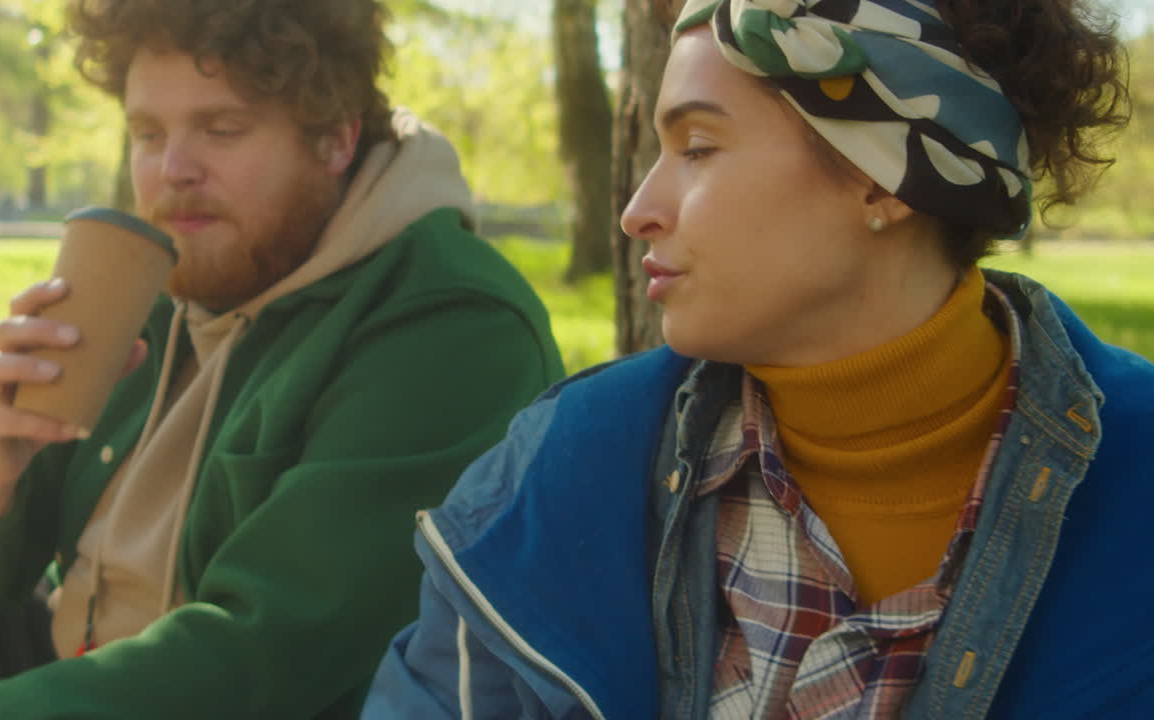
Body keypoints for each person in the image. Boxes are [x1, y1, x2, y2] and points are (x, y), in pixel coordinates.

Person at [362, 0, 1153, 717]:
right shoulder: (554, 479)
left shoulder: (1136, 485)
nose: (639, 211)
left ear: (886, 177)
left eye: (698, 149)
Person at [0, 0, 565, 717]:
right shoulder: (164, 276)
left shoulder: (451, 326)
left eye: (222, 129)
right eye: (147, 133)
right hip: (82, 661)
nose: (173, 170)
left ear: (335, 138)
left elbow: (259, 660)